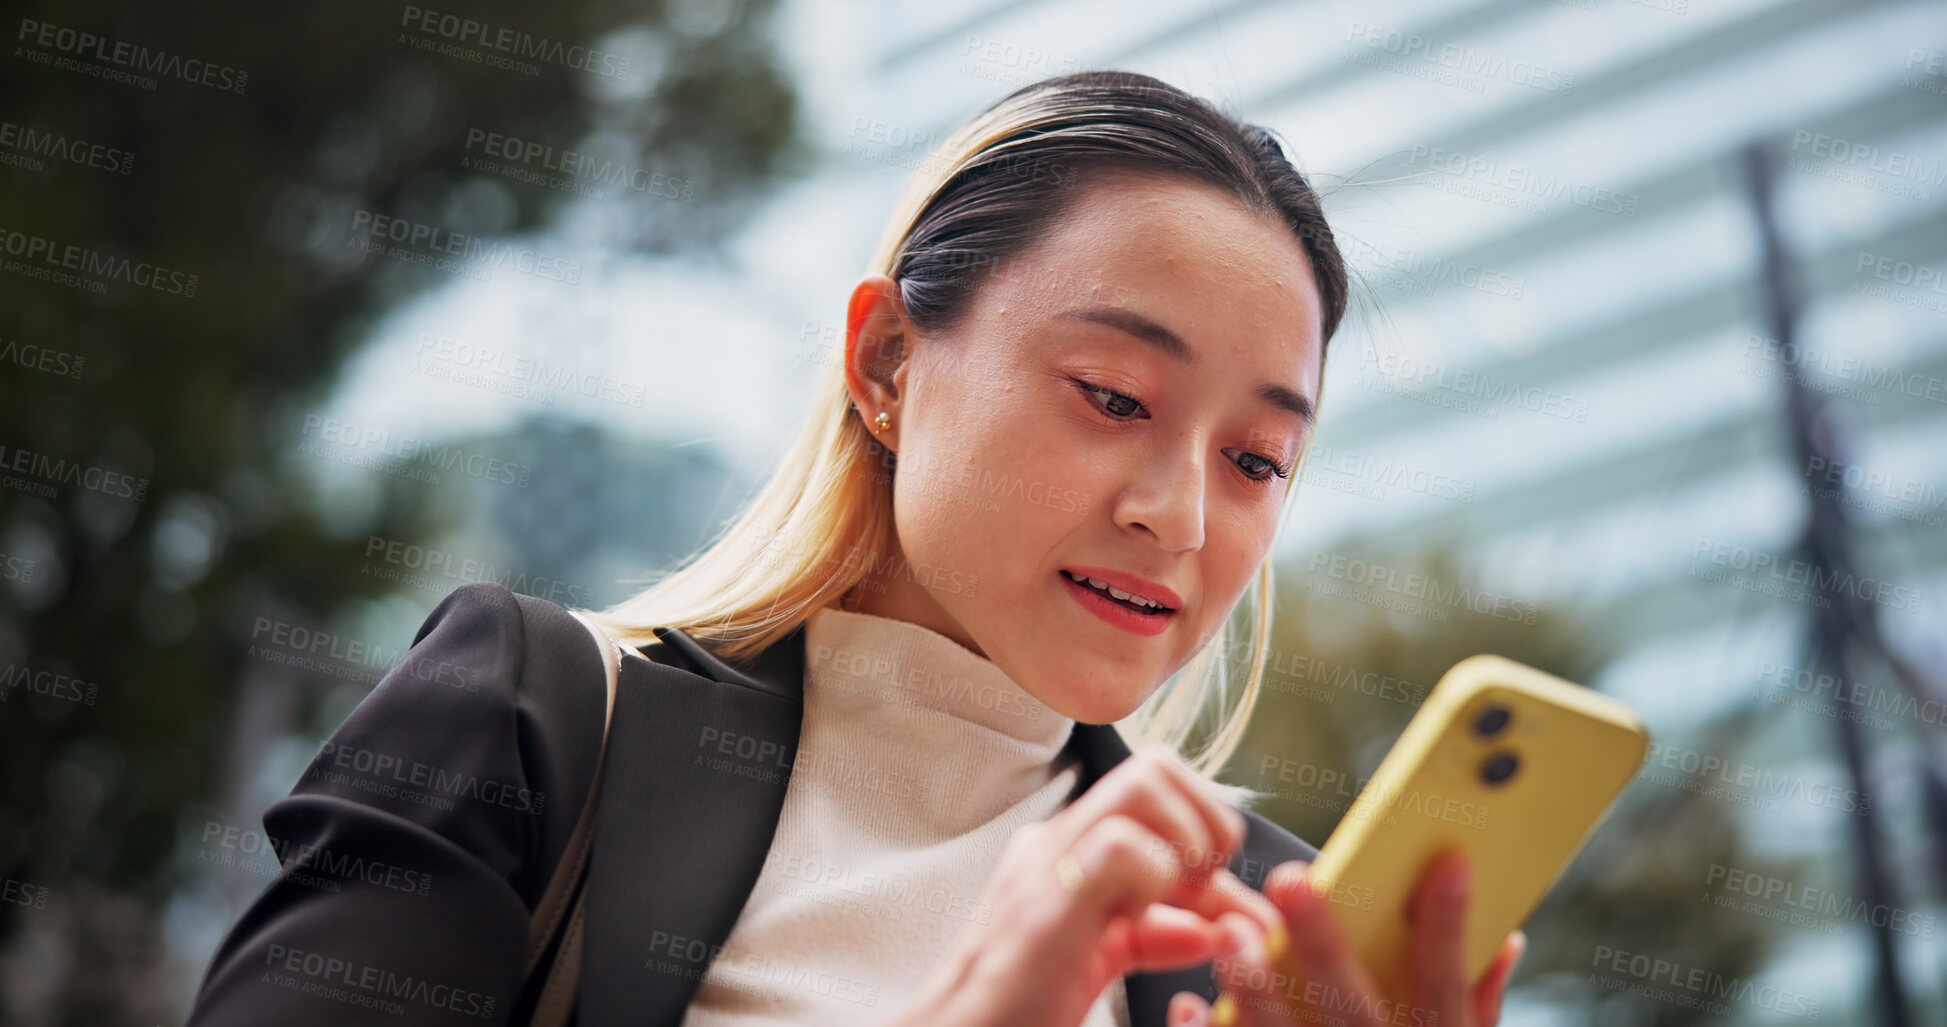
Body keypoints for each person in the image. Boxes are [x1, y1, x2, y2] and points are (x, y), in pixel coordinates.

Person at [184, 70, 1522, 1027]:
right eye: (1115, 397)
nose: (1179, 516)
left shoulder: (1264, 923)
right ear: (888, 361)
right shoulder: (533, 713)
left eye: (1258, 462)